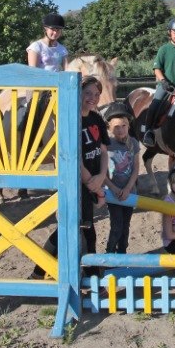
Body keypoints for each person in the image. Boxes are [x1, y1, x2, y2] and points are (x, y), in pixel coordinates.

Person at [37, 76, 108, 278]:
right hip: (76, 182)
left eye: (96, 95)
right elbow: (73, 156)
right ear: (78, 93)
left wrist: (101, 176)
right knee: (84, 231)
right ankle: (92, 277)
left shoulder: (97, 119)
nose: (92, 98)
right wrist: (90, 182)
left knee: (72, 229)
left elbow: (103, 151)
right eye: (88, 93)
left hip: (93, 180)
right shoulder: (71, 119)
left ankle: (38, 270)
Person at [139, 18, 175, 147]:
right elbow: (157, 68)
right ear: (170, 33)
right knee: (155, 104)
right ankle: (148, 132)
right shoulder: (164, 49)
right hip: (166, 86)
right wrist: (163, 81)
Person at [102, 102, 139, 254]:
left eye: (124, 125)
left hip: (129, 192)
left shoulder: (134, 143)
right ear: (109, 127)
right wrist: (114, 188)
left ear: (128, 126)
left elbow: (136, 168)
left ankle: (122, 254)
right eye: (116, 126)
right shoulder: (107, 145)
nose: (121, 129)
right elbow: (102, 172)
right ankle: (110, 254)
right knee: (116, 226)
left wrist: (128, 188)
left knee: (126, 227)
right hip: (113, 193)